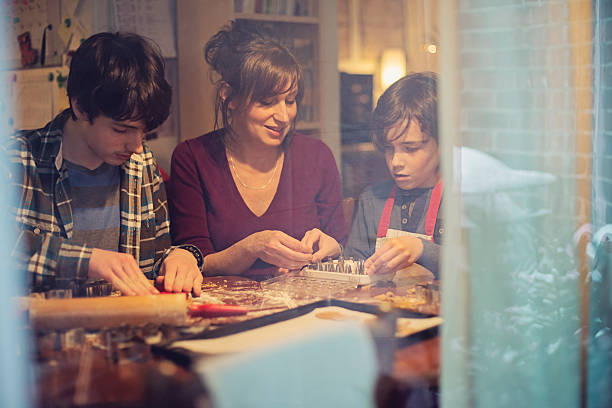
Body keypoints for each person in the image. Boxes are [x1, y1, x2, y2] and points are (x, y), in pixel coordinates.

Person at [8, 32, 204, 296]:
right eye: (121, 130)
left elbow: (154, 261)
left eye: (144, 132)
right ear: (80, 107)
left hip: (125, 331)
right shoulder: (18, 159)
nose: (135, 146)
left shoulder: (142, 163)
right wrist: (87, 260)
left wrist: (182, 258)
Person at [169, 21, 348, 277]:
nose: (284, 116)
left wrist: (332, 247)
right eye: (267, 102)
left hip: (305, 307)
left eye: (290, 100)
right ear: (228, 96)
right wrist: (252, 247)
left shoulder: (317, 156)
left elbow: (340, 242)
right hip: (227, 310)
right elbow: (194, 261)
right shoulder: (193, 158)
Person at [345, 72, 443, 278]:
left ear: (442, 143)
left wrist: (422, 249)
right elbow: (354, 269)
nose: (396, 161)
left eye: (410, 148)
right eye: (389, 148)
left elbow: (479, 272)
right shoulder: (372, 200)